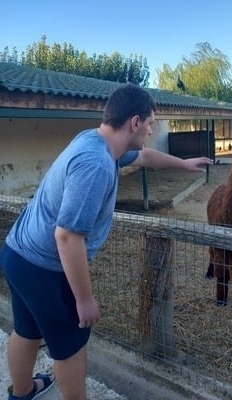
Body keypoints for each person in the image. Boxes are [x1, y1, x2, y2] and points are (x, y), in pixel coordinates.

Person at [2, 83, 213, 400]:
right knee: (71, 348)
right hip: (44, 268)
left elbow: (143, 156)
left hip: (17, 254)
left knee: (27, 331)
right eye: (151, 122)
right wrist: (84, 299)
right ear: (135, 123)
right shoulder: (97, 164)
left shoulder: (95, 140)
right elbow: (67, 236)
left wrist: (183, 164)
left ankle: (22, 392)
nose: (152, 128)